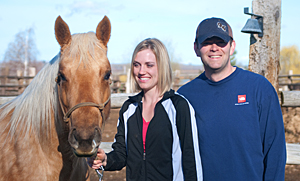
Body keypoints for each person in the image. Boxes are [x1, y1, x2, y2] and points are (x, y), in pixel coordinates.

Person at [177, 17, 286, 181]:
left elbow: (275, 150)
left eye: (220, 42)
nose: (214, 48)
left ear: (232, 46)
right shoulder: (185, 96)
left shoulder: (259, 88)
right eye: (207, 42)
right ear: (196, 48)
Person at [89, 38, 203, 181]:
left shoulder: (178, 107)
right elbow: (121, 154)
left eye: (149, 65)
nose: (142, 71)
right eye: (137, 65)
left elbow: (191, 160)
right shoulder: (128, 108)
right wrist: (105, 159)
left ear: (161, 67)